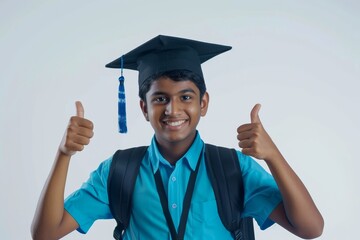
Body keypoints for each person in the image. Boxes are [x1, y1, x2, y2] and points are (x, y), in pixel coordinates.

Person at [31, 35, 324, 240]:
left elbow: (310, 228)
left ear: (203, 103)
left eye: (186, 96)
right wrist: (64, 154)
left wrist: (273, 156)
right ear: (144, 108)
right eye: (160, 98)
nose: (173, 109)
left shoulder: (232, 168)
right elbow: (45, 233)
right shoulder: (120, 171)